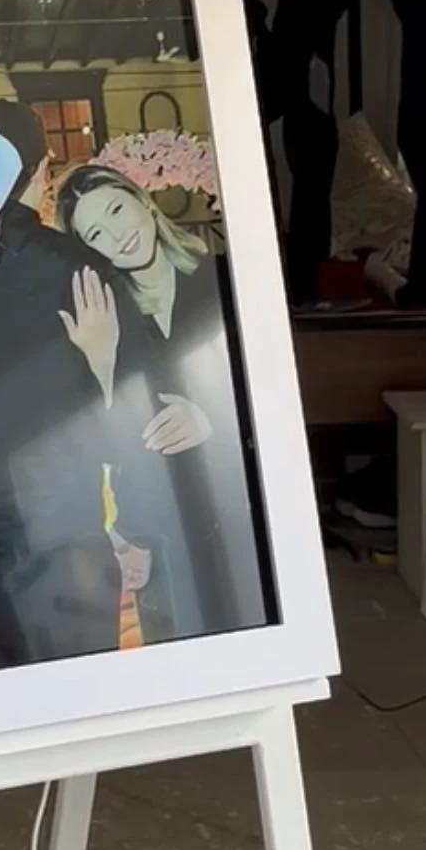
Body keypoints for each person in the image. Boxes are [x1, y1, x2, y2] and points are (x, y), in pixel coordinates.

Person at [0, 101, 207, 678]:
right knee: (71, 700)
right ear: (43, 168)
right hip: (59, 532)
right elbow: (143, 414)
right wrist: (138, 530)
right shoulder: (81, 268)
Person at [57, 164, 269, 637]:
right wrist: (101, 363)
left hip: (246, 511)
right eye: (96, 234)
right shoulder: (102, 317)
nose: (118, 235)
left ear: (144, 201)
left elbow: (277, 396)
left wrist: (213, 418)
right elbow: (101, 449)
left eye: (116, 209)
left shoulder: (227, 279)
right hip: (158, 530)